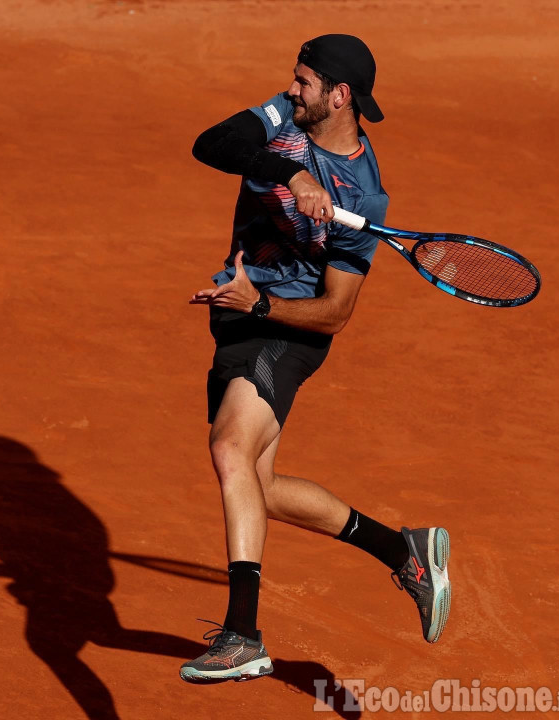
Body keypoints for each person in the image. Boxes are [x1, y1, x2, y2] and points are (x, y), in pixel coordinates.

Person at [180, 34, 451, 684]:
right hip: (240, 313)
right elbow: (210, 144)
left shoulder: (364, 197)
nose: (290, 88)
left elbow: (335, 312)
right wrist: (292, 174)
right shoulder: (282, 118)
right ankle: (404, 551)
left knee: (228, 452)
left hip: (286, 328)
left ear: (339, 94)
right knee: (260, 488)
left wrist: (261, 309)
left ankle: (243, 634)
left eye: (304, 82)